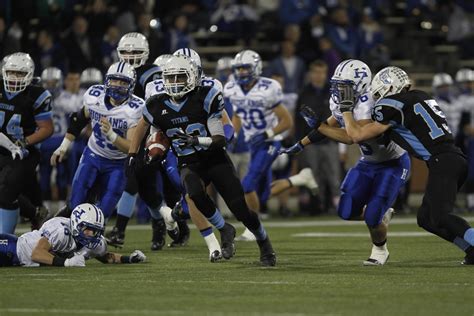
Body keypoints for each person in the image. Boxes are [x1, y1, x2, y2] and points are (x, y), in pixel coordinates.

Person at [129, 54, 276, 266]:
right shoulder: (155, 104)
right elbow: (142, 125)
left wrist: (196, 139)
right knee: (195, 194)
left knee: (240, 208)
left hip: (214, 158)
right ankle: (224, 228)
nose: (174, 83)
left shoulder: (206, 97)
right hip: (188, 161)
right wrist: (134, 154)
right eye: (170, 78)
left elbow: (220, 140)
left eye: (180, 78)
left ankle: (264, 243)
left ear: (192, 78)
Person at [341, 66, 474, 265]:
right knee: (426, 219)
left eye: (379, 94)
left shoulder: (390, 105)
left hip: (443, 160)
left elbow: (357, 135)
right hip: (453, 159)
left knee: (440, 215)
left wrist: (345, 110)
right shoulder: (421, 96)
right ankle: (470, 249)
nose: (377, 98)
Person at [281, 60, 410, 265]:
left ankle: (380, 250)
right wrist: (301, 144)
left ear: (359, 85)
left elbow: (354, 136)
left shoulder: (372, 103)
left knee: (372, 216)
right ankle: (380, 215)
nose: (339, 90)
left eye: (344, 86)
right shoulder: (342, 103)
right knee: (346, 211)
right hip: (368, 161)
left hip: (392, 163)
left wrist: (321, 126)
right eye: (337, 84)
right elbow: (328, 125)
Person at [144, 50, 237, 261]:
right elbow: (151, 124)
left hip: (200, 149)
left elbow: (226, 125)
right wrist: (152, 145)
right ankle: (213, 244)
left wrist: (218, 141)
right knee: (191, 194)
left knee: (192, 199)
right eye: (173, 75)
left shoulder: (209, 90)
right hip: (172, 150)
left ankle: (173, 214)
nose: (178, 81)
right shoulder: (156, 90)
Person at [50, 61, 144, 222]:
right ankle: (56, 232)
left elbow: (131, 148)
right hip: (93, 155)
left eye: (123, 82)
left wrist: (112, 136)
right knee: (76, 201)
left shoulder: (135, 108)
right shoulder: (94, 97)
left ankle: (90, 240)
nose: (117, 85)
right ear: (107, 80)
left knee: (104, 210)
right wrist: (63, 146)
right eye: (114, 80)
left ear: (131, 85)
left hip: (117, 163)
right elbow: (78, 119)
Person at [106, 32, 169, 251]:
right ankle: (160, 225)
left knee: (137, 182)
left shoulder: (153, 74)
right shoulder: (117, 71)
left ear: (146, 54)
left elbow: (158, 106)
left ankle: (120, 230)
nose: (131, 56)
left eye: (136, 52)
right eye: (126, 52)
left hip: (149, 133)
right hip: (129, 133)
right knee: (146, 189)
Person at [225, 50, 293, 240]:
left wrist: (267, 134)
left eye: (246, 68)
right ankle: (299, 180)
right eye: (239, 68)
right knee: (261, 195)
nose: (242, 72)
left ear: (256, 67)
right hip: (253, 144)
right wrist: (234, 134)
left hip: (271, 142)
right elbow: (237, 115)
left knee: (247, 185)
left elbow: (287, 121)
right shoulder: (233, 89)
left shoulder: (268, 88)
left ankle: (253, 229)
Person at [0, 52, 54, 234]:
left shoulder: (36, 94)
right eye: (11, 72)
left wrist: (24, 142)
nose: (15, 77)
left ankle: (4, 239)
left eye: (20, 74)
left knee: (7, 191)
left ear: (30, 75)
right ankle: (35, 213)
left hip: (25, 151)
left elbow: (47, 128)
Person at [0, 203, 146, 267]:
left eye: (95, 230)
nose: (92, 234)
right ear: (76, 224)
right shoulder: (61, 230)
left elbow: (105, 257)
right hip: (12, 249)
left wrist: (130, 259)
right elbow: (37, 254)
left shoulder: (94, 243)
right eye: (88, 229)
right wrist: (66, 263)